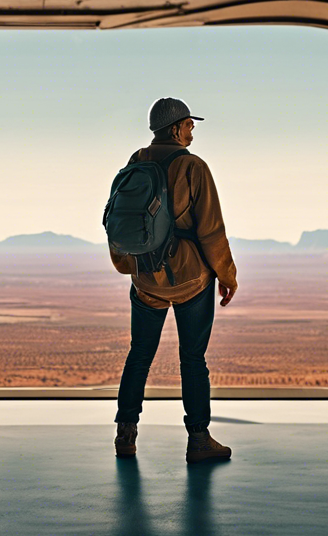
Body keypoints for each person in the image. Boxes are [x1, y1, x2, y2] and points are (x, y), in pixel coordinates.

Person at [109, 98, 238, 463]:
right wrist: (227, 276)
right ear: (176, 128)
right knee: (193, 359)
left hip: (145, 278)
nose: (193, 130)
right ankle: (199, 440)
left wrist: (131, 268)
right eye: (189, 124)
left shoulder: (136, 161)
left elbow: (119, 217)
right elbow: (211, 231)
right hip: (190, 280)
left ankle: (125, 433)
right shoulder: (193, 166)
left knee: (139, 356)